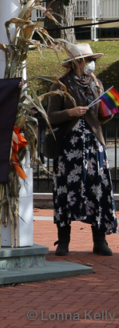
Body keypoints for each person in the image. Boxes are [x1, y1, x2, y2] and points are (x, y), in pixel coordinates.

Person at [47, 43, 117, 257]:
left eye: (90, 60)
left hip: (94, 146)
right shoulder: (60, 85)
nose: (89, 63)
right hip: (70, 147)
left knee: (97, 189)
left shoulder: (95, 82)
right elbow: (50, 116)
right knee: (67, 190)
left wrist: (109, 111)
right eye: (85, 60)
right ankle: (64, 241)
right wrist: (71, 112)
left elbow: (101, 117)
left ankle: (100, 240)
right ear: (75, 62)